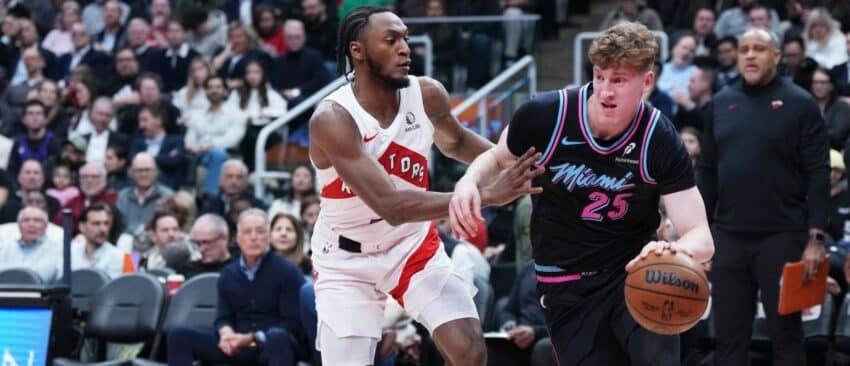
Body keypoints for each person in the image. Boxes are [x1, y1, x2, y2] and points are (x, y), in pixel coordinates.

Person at [449, 22, 714, 365]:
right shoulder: (546, 114)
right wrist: (468, 182)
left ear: (646, 83)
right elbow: (495, 157)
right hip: (564, 282)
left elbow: (702, 237)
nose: (605, 91)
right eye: (600, 76)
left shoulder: (658, 137)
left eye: (618, 80)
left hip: (631, 274)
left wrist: (675, 249)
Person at [307, 7, 541, 366]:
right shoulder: (333, 118)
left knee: (470, 352)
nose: (405, 48)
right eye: (391, 40)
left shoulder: (427, 95)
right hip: (346, 259)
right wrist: (484, 194)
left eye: (405, 39)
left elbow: (458, 142)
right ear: (357, 50)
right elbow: (392, 206)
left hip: (410, 245)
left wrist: (521, 165)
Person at [698, 28, 829, 366]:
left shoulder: (801, 104)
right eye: (744, 49)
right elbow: (708, 172)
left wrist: (815, 238)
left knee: (786, 336)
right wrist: (698, 232)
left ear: (777, 56)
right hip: (728, 236)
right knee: (727, 337)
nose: (750, 55)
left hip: (782, 236)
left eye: (759, 48)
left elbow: (818, 173)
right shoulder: (719, 103)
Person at [167, 209, 305, 366]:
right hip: (237, 345)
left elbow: (293, 323)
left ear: (268, 237)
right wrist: (226, 333)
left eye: (260, 231)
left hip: (267, 345)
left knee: (278, 337)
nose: (253, 237)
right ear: (238, 239)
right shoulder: (228, 274)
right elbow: (222, 318)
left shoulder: (288, 271)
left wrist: (252, 338)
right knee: (178, 335)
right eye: (247, 232)